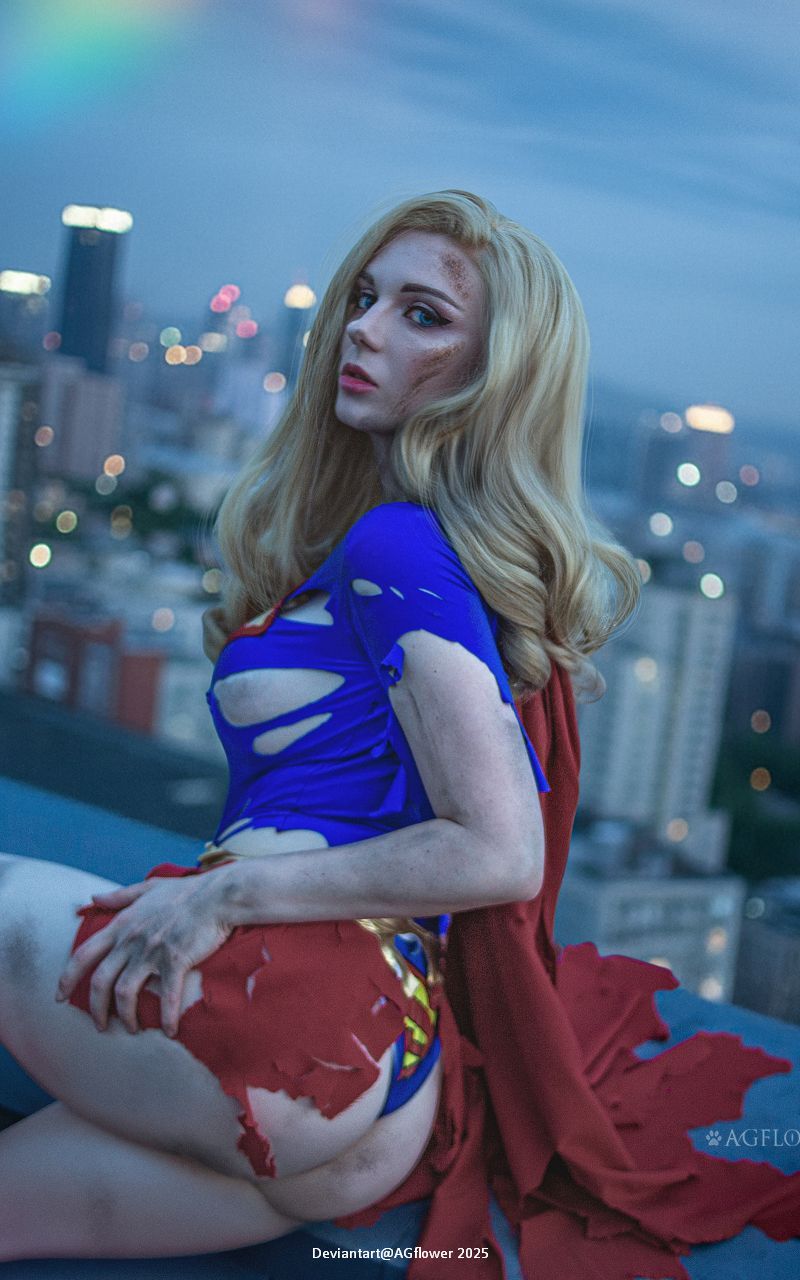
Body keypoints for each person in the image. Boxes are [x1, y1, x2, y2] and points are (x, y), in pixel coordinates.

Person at [1, 190, 798, 1278]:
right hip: (372, 1107)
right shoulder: (412, 549)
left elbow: (498, 845)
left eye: (421, 314)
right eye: (365, 298)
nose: (363, 329)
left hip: (295, 1013)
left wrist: (221, 893)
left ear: (490, 375)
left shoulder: (398, 548)